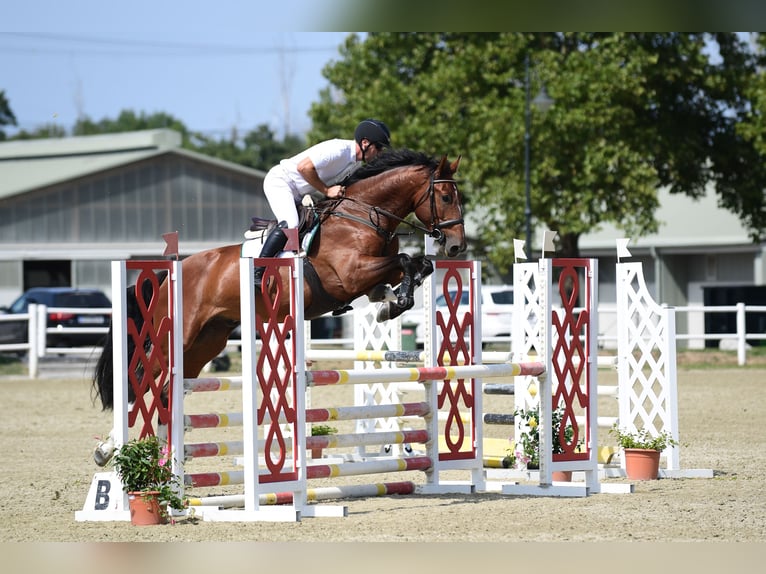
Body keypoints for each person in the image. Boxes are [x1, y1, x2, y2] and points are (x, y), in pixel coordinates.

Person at [253, 118, 392, 289]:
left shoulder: (354, 164)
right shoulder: (338, 149)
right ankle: (257, 271)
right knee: (292, 223)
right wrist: (327, 191)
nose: (379, 153)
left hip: (299, 192)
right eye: (378, 148)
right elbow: (304, 168)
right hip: (281, 182)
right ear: (365, 143)